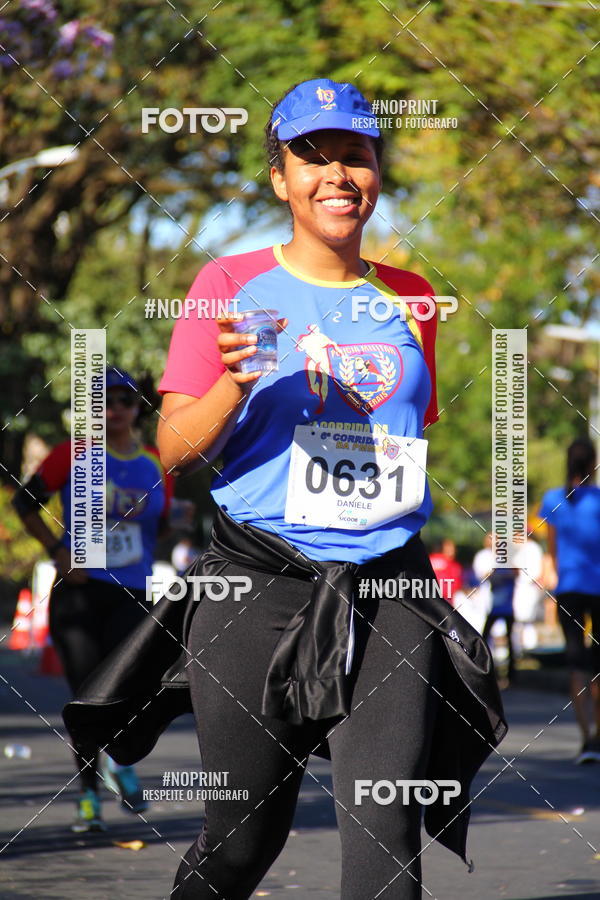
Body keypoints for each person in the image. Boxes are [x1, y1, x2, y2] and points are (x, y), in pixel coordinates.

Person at [148, 78, 506, 900]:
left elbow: (405, 431)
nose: (337, 174)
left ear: (377, 173)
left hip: (387, 588)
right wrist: (235, 385)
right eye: (312, 157)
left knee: (387, 839)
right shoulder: (226, 283)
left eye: (356, 155)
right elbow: (171, 451)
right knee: (241, 840)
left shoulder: (414, 297)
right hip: (257, 586)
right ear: (280, 179)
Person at [13, 366, 173, 831]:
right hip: (81, 595)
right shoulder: (72, 454)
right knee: (85, 701)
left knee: (126, 690)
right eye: (105, 401)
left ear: (138, 407)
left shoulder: (156, 463)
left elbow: (161, 525)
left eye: (125, 400)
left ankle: (119, 762)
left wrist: (174, 525)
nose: (115, 409)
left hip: (133, 594)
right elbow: (25, 503)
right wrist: (57, 550)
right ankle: (88, 796)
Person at [539, 437, 600, 764]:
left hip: (569, 588)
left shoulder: (553, 499)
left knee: (577, 664)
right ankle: (599, 737)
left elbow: (553, 553)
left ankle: (586, 738)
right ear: (593, 464)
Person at [429, 538, 463, 605]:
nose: (453, 549)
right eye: (449, 546)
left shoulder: (428, 559)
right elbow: (456, 586)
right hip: (446, 601)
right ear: (442, 548)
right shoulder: (452, 565)